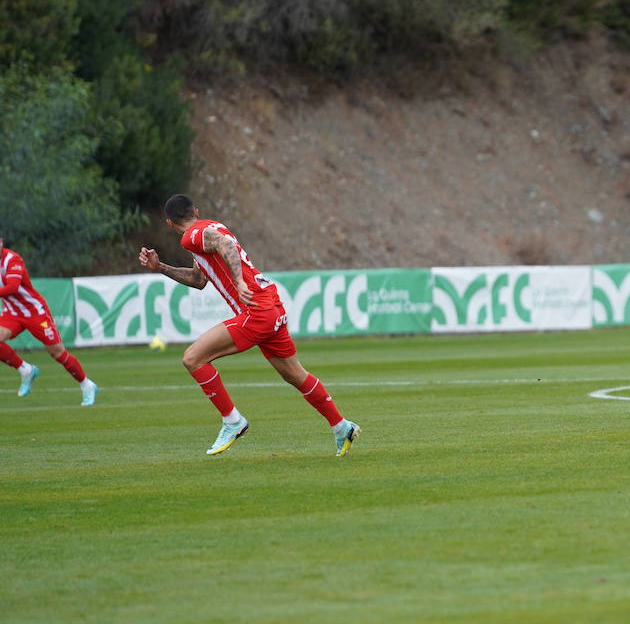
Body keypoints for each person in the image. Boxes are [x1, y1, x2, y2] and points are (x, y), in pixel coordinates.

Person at [138, 195, 360, 457]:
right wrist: (160, 266)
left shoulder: (192, 236)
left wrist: (239, 282)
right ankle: (341, 427)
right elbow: (199, 279)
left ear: (169, 223)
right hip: (270, 305)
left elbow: (226, 245)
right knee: (294, 374)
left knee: (193, 358)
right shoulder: (207, 230)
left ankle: (233, 421)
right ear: (196, 211)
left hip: (256, 310)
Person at [0, 236, 99, 405]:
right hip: (12, 313)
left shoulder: (12, 259)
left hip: (35, 312)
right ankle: (25, 370)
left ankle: (87, 385)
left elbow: (13, 287)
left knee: (57, 352)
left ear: (1, 242)